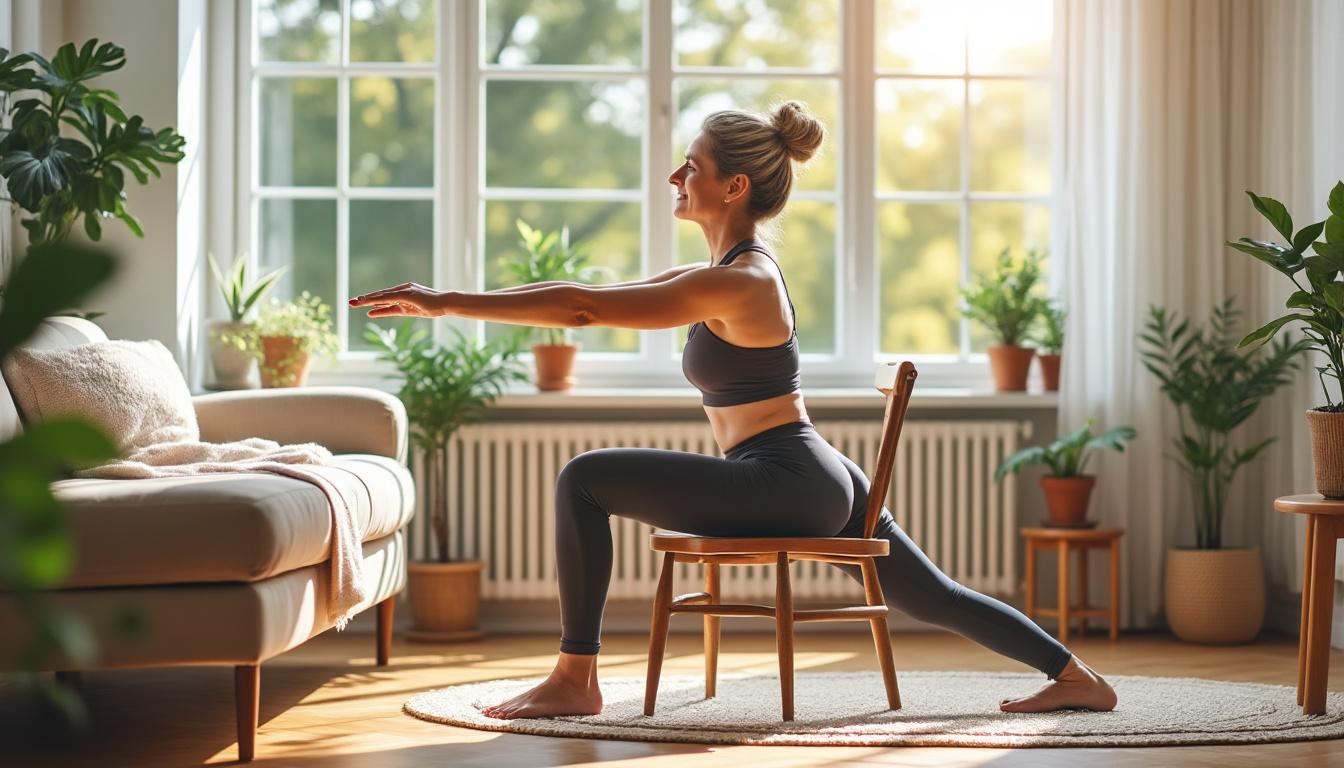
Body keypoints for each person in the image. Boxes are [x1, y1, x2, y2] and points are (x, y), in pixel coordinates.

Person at [349, 101, 1118, 720]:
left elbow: (583, 311)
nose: (676, 174)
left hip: (787, 477)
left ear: (734, 188)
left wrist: (444, 301)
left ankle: (573, 679)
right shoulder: (723, 268)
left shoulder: (742, 281)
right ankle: (1077, 675)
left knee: (583, 477)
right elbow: (588, 292)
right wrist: (443, 297)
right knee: (931, 596)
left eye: (695, 166)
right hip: (812, 473)